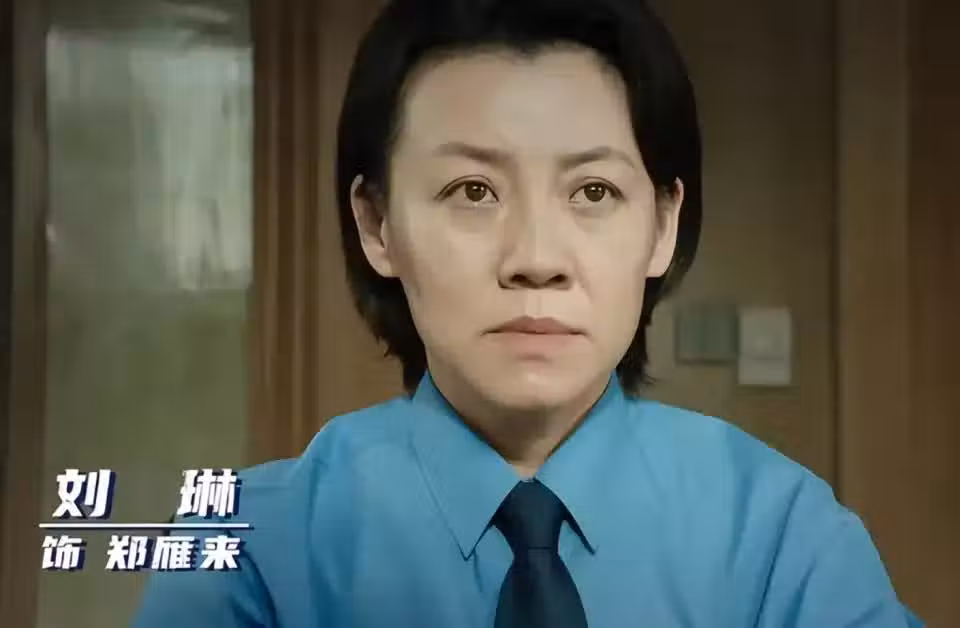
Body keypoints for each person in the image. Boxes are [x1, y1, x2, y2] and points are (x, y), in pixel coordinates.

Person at [134, 0, 923, 625]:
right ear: (377, 225)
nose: (536, 258)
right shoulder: (248, 554)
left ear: (662, 224)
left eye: (594, 192)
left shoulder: (781, 537)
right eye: (472, 191)